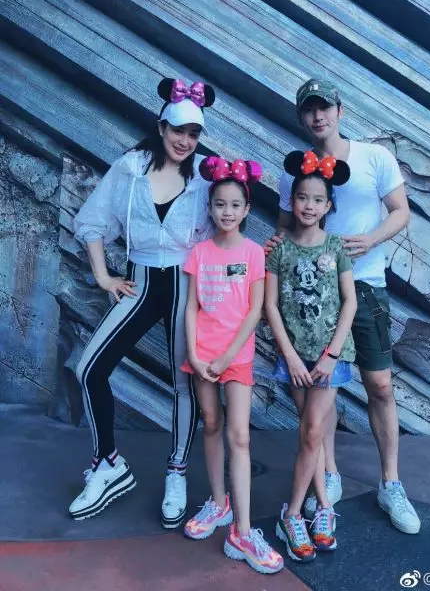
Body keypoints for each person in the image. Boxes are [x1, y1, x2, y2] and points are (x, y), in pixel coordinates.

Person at [274, 78, 421, 535]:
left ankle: (391, 482)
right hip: (312, 295)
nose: (318, 116)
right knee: (323, 386)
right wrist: (275, 246)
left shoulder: (374, 157)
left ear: (340, 111)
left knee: (380, 384)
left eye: (325, 107)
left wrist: (371, 240)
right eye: (309, 109)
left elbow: (401, 210)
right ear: (301, 117)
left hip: (366, 284)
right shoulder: (295, 169)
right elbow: (284, 227)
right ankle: (329, 472)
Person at [70, 78, 215, 528]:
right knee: (89, 369)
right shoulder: (131, 167)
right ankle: (107, 463)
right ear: (161, 126)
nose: (184, 141)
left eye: (193, 134)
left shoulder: (206, 174)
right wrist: (103, 276)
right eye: (178, 130)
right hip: (141, 281)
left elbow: (228, 224)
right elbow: (93, 221)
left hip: (187, 285)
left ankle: (177, 472)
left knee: (184, 382)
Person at [181, 156, 284, 576]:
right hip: (202, 355)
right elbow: (191, 307)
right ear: (210, 208)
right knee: (210, 424)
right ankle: (218, 502)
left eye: (235, 205)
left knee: (239, 436)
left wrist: (226, 356)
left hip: (236, 357)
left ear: (246, 210)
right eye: (220, 204)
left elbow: (255, 310)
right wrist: (195, 353)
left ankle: (242, 531)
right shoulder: (199, 253)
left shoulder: (254, 253)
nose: (227, 212)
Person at [265, 149, 357, 562]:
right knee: (311, 433)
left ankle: (292, 514)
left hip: (328, 358)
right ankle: (322, 506)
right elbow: (270, 306)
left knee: (313, 431)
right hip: (295, 357)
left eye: (318, 199)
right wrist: (290, 357)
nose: (309, 205)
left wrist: (331, 355)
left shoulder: (336, 247)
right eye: (302, 197)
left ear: (328, 206)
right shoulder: (279, 249)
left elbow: (350, 302)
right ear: (292, 201)